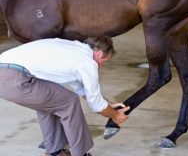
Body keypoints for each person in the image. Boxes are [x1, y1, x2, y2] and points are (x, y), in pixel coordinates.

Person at [0, 36, 129, 156]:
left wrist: (109, 105)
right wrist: (116, 115)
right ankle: (81, 153)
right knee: (69, 101)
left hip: (6, 73)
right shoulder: (87, 62)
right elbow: (96, 105)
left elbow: (81, 88)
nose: (101, 65)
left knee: (49, 101)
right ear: (99, 53)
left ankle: (55, 152)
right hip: (16, 79)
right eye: (103, 61)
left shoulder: (73, 49)